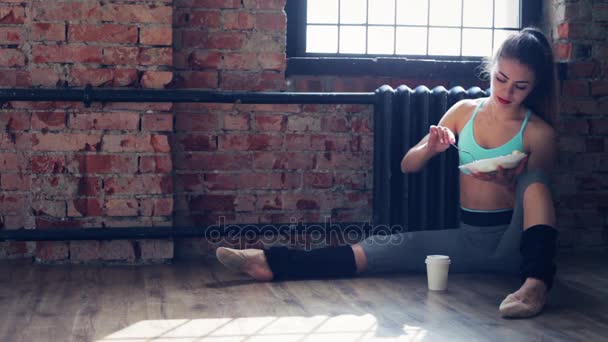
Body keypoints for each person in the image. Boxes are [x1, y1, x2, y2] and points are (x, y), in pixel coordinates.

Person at [215, 27, 559, 319]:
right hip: (465, 239)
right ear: (492, 68)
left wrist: (508, 181)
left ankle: (536, 285)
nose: (506, 92)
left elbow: (538, 200)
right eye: (501, 78)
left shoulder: (538, 131)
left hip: (515, 247)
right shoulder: (463, 112)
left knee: (536, 181)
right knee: (378, 247)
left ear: (534, 87)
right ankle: (270, 262)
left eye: (520, 86)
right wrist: (431, 148)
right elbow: (407, 165)